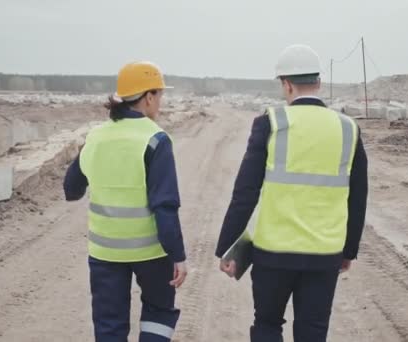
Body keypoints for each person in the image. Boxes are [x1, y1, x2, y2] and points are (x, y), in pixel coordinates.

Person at [215, 45, 369, 342]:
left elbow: (245, 193)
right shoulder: (349, 129)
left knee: (267, 325)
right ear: (319, 83)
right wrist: (349, 250)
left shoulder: (270, 124)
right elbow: (358, 196)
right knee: (312, 332)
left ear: (286, 84)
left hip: (273, 254)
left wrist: (227, 246)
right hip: (324, 255)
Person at [63, 61, 187, 342]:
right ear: (148, 97)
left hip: (105, 254)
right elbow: (165, 207)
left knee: (109, 326)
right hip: (152, 254)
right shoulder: (156, 139)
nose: (161, 102)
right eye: (160, 95)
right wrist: (178, 256)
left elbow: (71, 189)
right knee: (158, 314)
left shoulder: (95, 136)